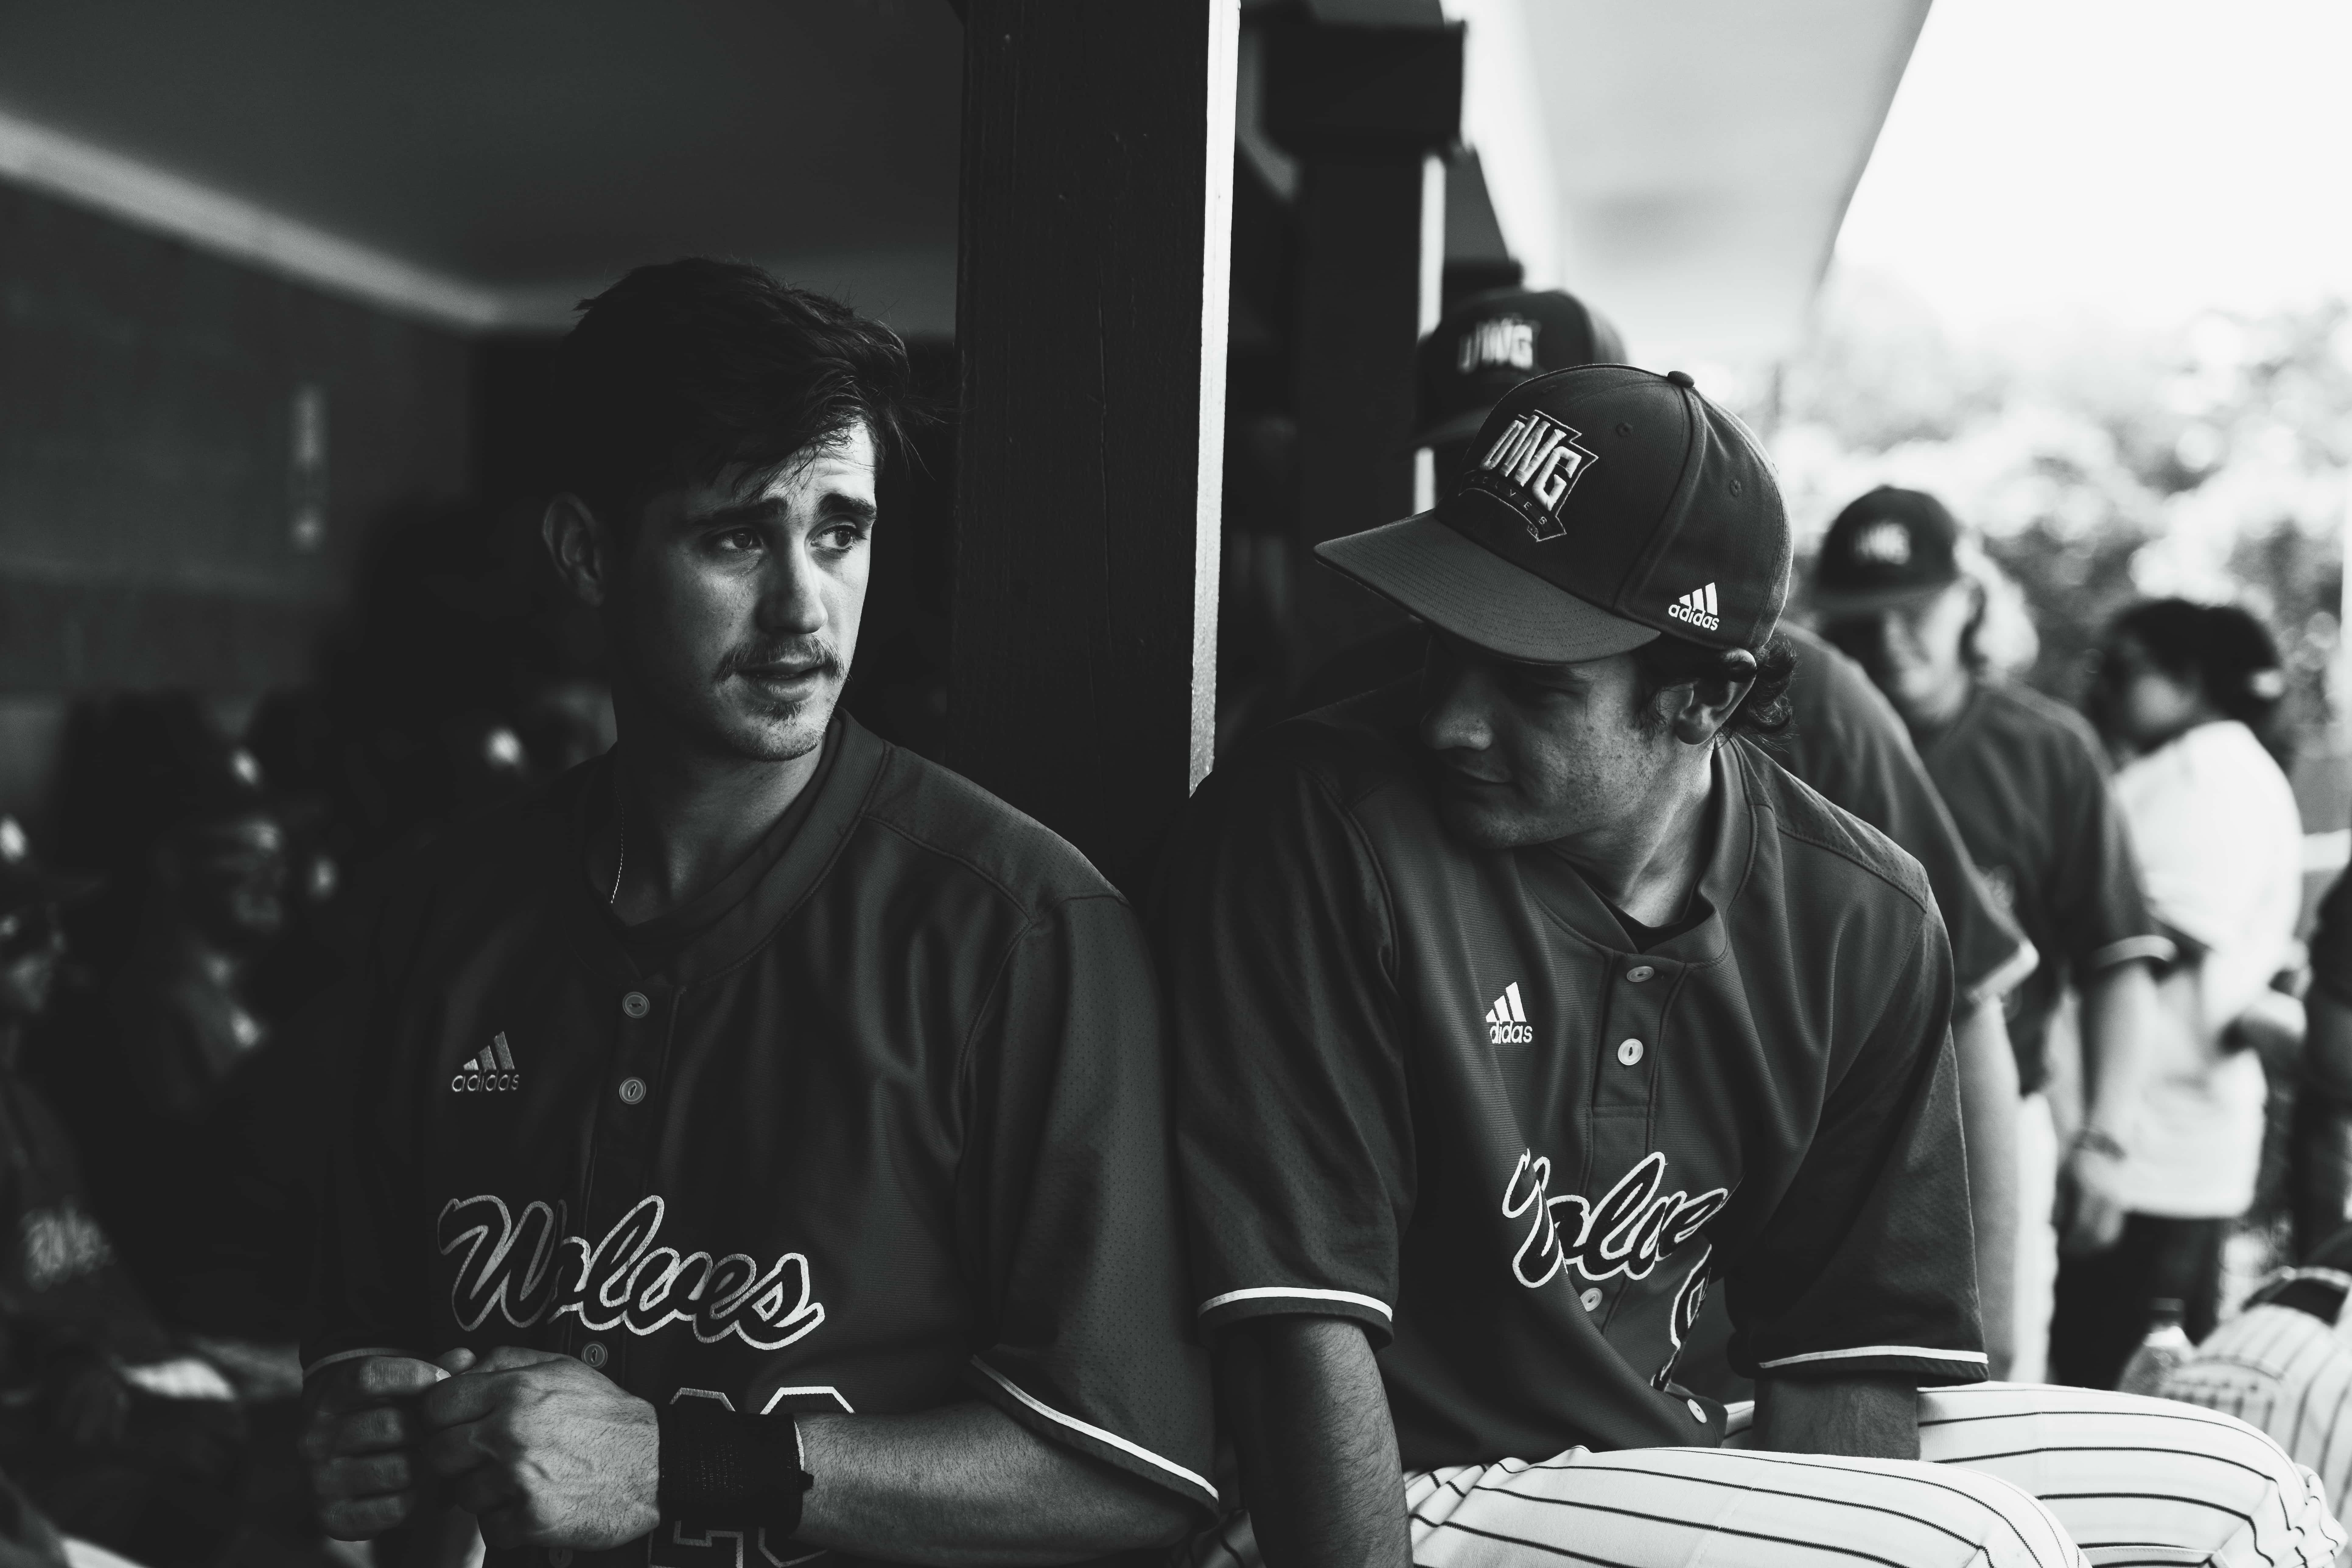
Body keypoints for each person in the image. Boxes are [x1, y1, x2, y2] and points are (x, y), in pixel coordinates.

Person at [1154, 366, 2339, 1568]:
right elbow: (1295, 1327)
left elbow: (1847, 1355)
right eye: (1444, 646)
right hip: (1412, 1481)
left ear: (1705, 700)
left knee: (2246, 1502)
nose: (1453, 720)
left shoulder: (1861, 911)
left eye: (1531, 681)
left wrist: (1839, 1531)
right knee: (1961, 1551)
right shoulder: (1313, 822)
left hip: (1682, 1443)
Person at [300, 261, 1213, 1565]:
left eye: (840, 530)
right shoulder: (442, 917)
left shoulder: (1022, 932)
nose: (804, 604)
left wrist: (690, 1466)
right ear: (585, 551)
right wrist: (360, 1434)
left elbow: (1134, 1470)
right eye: (735, 536)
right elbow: (359, 1335)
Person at [1812, 487, 2170, 1388]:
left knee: (1995, 1391)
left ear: (1972, 598)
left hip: (1995, 1117)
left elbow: (2118, 959)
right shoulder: (1805, 736)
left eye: (1916, 608)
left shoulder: (2049, 749)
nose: (1890, 637)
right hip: (1825, 1130)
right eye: (1864, 617)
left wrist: (2107, 1140)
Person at [2056, 600, 2304, 1381]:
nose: (2101, 685)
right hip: (2138, 1142)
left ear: (2187, 679)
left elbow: (2171, 930)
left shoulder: (2212, 773)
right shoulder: (2183, 766)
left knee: (2125, 1405)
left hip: (2155, 1151)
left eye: (2121, 668)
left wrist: (2044, 896)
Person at [0, 817, 249, 1567]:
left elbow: (87, 1301)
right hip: (43, 1456)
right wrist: (70, 1367)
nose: (58, 949)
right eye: (27, 930)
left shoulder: (31, 1098)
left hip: (112, 1399)